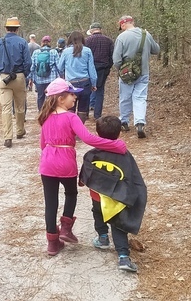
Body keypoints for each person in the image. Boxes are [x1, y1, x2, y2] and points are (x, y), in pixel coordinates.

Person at [37, 78, 127, 256]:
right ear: (61, 98)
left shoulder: (45, 117)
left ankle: (52, 244)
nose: (75, 97)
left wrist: (49, 157)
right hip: (65, 163)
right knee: (71, 193)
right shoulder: (71, 117)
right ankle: (66, 229)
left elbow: (42, 144)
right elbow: (88, 139)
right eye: (72, 94)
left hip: (47, 164)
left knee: (51, 202)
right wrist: (115, 145)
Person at [79, 116, 147, 272]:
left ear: (97, 133)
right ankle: (123, 257)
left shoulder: (91, 155)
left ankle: (103, 238)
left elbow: (84, 176)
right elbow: (132, 176)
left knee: (98, 213)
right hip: (117, 197)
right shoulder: (125, 155)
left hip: (97, 196)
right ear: (119, 133)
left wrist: (83, 182)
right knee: (118, 224)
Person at [113, 15, 160, 138]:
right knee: (140, 97)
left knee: (125, 97)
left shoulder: (121, 37)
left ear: (123, 24)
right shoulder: (146, 34)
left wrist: (120, 70)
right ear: (132, 22)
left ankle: (124, 122)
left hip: (126, 73)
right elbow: (156, 50)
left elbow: (116, 60)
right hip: (143, 72)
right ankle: (139, 123)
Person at [0, 17, 31, 148]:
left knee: (6, 108)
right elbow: (28, 62)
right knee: (20, 106)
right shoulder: (22, 42)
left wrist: (0, 76)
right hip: (19, 76)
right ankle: (20, 131)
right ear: (17, 28)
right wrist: (24, 75)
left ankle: (7, 137)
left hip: (4, 77)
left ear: (6, 28)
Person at [56, 31, 97, 123]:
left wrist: (63, 77)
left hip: (71, 84)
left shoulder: (65, 52)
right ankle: (79, 130)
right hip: (85, 83)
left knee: (70, 107)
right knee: (83, 109)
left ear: (70, 40)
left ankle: (70, 129)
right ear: (82, 39)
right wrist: (94, 83)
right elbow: (92, 69)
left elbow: (60, 67)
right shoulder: (87, 51)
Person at [86, 22, 114, 120]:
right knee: (100, 91)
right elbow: (112, 56)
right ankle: (97, 115)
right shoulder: (109, 41)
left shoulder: (87, 41)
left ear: (91, 30)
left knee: (88, 89)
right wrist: (109, 67)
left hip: (90, 68)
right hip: (103, 68)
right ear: (100, 29)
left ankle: (85, 113)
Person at [29, 35, 60, 110]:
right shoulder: (54, 52)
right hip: (51, 79)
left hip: (39, 79)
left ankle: (41, 113)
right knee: (51, 97)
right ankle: (50, 113)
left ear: (42, 43)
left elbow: (32, 67)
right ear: (49, 43)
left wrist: (30, 78)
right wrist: (61, 77)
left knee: (40, 97)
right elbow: (58, 66)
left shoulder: (36, 52)